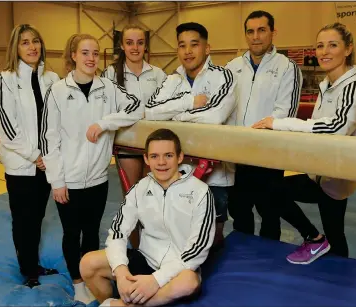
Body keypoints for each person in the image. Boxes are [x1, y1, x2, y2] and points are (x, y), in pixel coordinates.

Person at [253, 22, 356, 263]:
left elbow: (337, 127)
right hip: (320, 171)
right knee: (273, 190)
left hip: (336, 176)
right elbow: (317, 127)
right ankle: (315, 240)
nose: (324, 52)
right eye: (320, 46)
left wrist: (279, 123)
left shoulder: (353, 86)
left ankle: (330, 266)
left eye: (333, 45)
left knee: (334, 234)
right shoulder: (327, 85)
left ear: (348, 49)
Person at [40, 33, 143, 303]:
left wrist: (106, 122)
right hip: (69, 181)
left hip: (97, 179)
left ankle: (87, 276)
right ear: (73, 55)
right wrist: (57, 181)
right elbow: (49, 139)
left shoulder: (107, 87)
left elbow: (135, 107)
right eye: (85, 53)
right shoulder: (58, 91)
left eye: (95, 53)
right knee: (72, 233)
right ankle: (76, 282)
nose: (91, 58)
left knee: (91, 232)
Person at [79, 128, 216, 306]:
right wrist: (120, 272)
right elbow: (117, 232)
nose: (161, 162)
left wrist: (156, 280)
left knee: (189, 281)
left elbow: (198, 248)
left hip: (178, 269)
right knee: (88, 263)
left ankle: (122, 305)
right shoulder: (140, 189)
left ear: (180, 157)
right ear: (146, 159)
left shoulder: (200, 192)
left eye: (168, 155)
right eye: (154, 156)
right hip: (146, 260)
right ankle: (113, 300)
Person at [145, 22, 236, 248]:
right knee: (180, 234)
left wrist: (176, 116)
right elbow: (150, 111)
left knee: (212, 235)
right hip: (179, 173)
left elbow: (216, 115)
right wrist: (188, 103)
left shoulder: (224, 77)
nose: (188, 51)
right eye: (182, 46)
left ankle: (211, 281)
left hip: (214, 174)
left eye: (194, 45)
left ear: (207, 48)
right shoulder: (172, 80)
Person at [0, 24, 60, 288]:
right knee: (23, 220)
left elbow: (55, 121)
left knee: (38, 217)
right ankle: (28, 269)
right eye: (25, 43)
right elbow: (7, 127)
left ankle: (33, 263)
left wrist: (50, 155)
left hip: (46, 163)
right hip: (22, 165)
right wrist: (35, 155)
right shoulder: (5, 79)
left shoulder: (51, 79)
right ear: (15, 48)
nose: (32, 47)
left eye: (36, 41)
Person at [225, 10, 303, 241]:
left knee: (269, 211)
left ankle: (270, 260)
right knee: (239, 210)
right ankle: (242, 254)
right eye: (250, 31)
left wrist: (256, 137)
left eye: (262, 30)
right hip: (236, 153)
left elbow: (285, 113)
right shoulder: (232, 66)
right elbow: (225, 108)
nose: (256, 37)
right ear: (245, 35)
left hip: (268, 154)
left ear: (273, 33)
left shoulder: (288, 67)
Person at [101, 24, 167, 249]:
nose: (135, 47)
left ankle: (155, 248)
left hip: (154, 147)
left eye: (140, 42)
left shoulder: (158, 74)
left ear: (146, 45)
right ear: (122, 45)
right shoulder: (111, 74)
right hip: (127, 146)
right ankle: (137, 250)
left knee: (153, 200)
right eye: (129, 43)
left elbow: (166, 107)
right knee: (133, 201)